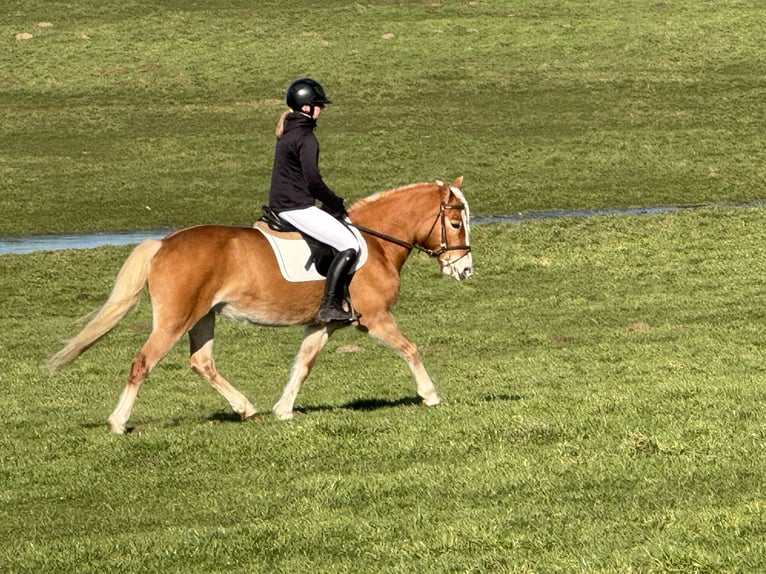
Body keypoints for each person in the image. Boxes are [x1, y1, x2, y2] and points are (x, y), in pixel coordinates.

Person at [268, 78, 360, 324]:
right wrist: (335, 203)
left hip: (283, 203)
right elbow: (313, 181)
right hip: (296, 206)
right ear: (307, 107)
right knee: (350, 245)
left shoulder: (289, 131)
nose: (322, 110)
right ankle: (330, 305)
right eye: (319, 105)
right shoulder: (306, 138)